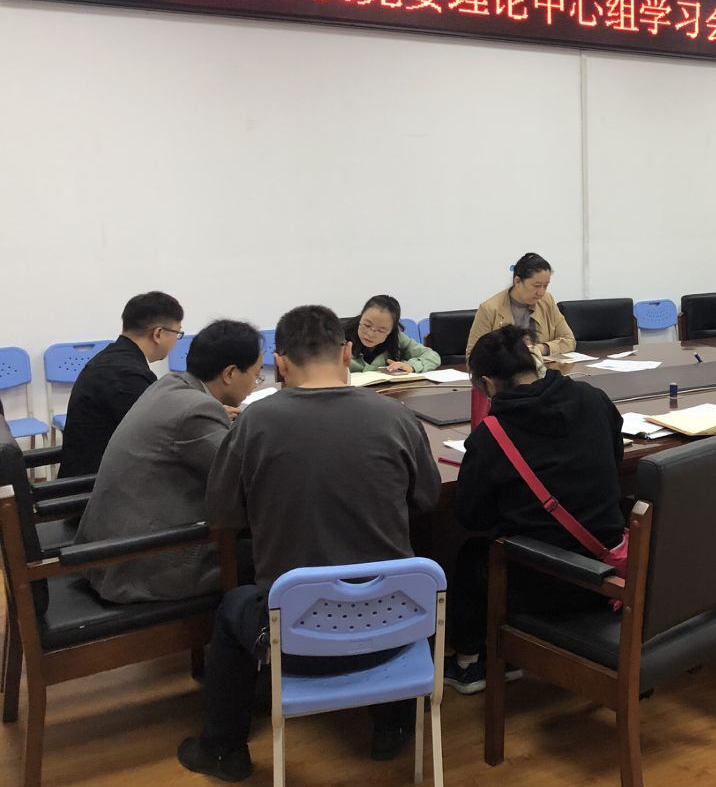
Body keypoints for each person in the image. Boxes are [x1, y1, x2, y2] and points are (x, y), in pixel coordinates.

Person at [178, 305, 441, 782]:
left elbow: (223, 516)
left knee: (233, 606)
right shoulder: (397, 417)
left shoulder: (254, 423)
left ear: (280, 362)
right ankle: (393, 726)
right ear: (346, 352)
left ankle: (222, 751)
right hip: (396, 632)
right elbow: (426, 499)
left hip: (297, 640)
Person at [446, 324, 624, 694]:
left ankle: (469, 663)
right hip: (611, 573)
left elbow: (471, 517)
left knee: (471, 555)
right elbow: (615, 458)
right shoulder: (594, 398)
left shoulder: (492, 435)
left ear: (487, 385)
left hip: (548, 584)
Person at [74, 320, 263, 604]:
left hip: (109, 553)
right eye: (257, 375)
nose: (255, 383)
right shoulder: (197, 411)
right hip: (145, 566)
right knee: (280, 555)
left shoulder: (170, 385)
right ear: (230, 374)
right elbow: (245, 483)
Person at [59, 291, 184, 478]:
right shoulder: (127, 375)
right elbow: (162, 433)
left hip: (98, 472)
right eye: (177, 333)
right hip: (96, 485)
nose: (176, 341)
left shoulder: (115, 359)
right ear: (158, 334)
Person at [466, 252, 576, 358]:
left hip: (544, 369)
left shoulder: (547, 301)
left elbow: (569, 341)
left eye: (545, 286)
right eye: (537, 285)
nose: (541, 292)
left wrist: (541, 349)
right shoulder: (489, 309)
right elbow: (473, 357)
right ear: (517, 281)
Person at [347, 294, 441, 373]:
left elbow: (432, 356)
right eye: (367, 325)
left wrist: (411, 366)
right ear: (361, 317)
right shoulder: (341, 336)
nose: (370, 334)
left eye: (381, 330)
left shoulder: (396, 337)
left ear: (391, 330)